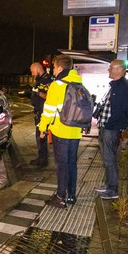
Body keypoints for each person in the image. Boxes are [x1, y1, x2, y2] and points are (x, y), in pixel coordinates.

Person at [38, 54, 83, 207]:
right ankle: (71, 195)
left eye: (54, 67)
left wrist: (42, 128)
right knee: (72, 164)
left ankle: (60, 197)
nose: (53, 70)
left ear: (59, 67)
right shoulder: (79, 84)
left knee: (62, 165)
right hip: (76, 131)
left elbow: (49, 110)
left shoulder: (56, 85)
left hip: (61, 130)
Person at [96, 60, 128, 200]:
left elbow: (120, 111)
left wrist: (109, 125)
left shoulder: (122, 87)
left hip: (110, 128)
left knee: (109, 158)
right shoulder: (116, 86)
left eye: (111, 68)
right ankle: (109, 185)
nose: (109, 70)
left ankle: (113, 190)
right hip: (107, 127)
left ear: (119, 70)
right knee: (107, 158)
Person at [29, 62, 53, 167]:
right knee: (39, 137)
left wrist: (38, 93)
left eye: (33, 72)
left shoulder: (46, 80)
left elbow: (49, 96)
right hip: (39, 112)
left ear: (38, 69)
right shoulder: (39, 80)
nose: (32, 74)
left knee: (41, 137)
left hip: (43, 113)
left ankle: (43, 160)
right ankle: (40, 158)